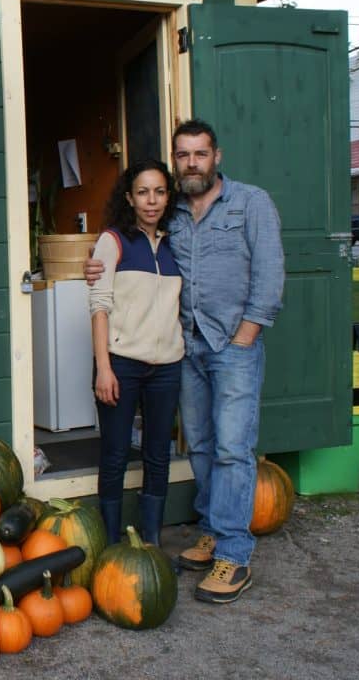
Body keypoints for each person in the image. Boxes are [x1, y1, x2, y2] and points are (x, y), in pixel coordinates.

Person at [86, 118, 284, 604]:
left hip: (232, 347)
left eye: (200, 154)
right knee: (199, 445)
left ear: (217, 156)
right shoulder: (171, 216)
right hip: (188, 348)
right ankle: (214, 531)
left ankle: (234, 557)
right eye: (183, 155)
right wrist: (92, 265)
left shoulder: (250, 203)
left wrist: (246, 335)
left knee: (233, 449)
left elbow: (271, 275)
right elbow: (124, 258)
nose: (191, 163)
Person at [89, 159, 183, 548]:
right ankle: (112, 547)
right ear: (129, 197)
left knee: (158, 454)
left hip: (168, 366)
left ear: (168, 197)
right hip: (121, 365)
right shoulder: (112, 241)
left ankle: (152, 544)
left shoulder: (177, 241)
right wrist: (103, 368)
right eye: (143, 192)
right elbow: (99, 305)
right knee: (114, 453)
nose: (151, 201)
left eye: (159, 192)